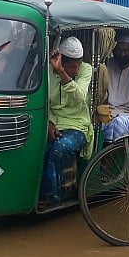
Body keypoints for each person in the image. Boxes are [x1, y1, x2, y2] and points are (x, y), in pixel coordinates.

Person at [40, 36, 94, 203]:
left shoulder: (86, 69)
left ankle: (53, 197)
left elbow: (79, 97)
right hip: (55, 124)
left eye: (78, 66)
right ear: (61, 61)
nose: (76, 71)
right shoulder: (48, 73)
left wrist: (63, 73)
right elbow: (45, 103)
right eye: (72, 67)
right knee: (41, 148)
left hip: (79, 126)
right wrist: (50, 123)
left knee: (60, 149)